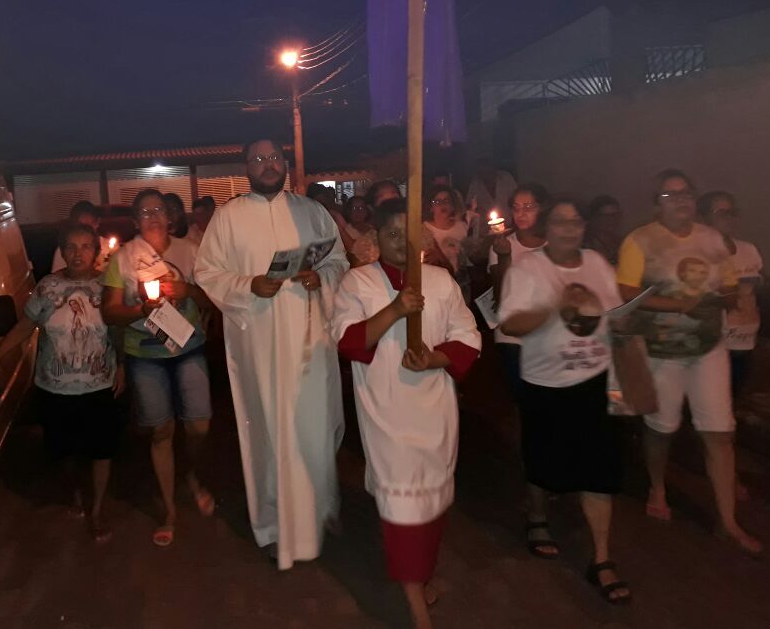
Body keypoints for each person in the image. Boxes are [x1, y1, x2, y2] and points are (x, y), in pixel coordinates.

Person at [194, 138, 348, 570]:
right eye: (259, 159)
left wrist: (321, 277)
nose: (268, 164)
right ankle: (274, 525)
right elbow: (206, 271)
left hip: (309, 341)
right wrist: (248, 285)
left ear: (285, 163)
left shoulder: (312, 212)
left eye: (274, 157)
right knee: (268, 432)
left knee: (314, 426)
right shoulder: (228, 218)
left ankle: (318, 511)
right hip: (258, 344)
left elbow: (339, 260)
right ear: (246, 166)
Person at [333, 198, 481, 629]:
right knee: (402, 510)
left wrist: (435, 358)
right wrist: (397, 308)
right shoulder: (358, 282)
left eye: (408, 233)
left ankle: (420, 576)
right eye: (392, 234)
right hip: (387, 414)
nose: (401, 242)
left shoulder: (440, 280)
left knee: (432, 503)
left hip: (435, 411)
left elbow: (468, 336)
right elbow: (348, 340)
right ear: (377, 239)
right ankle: (417, 608)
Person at [616, 169, 761, 555]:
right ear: (656, 204)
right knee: (661, 428)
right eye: (670, 195)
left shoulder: (712, 239)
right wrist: (678, 305)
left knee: (720, 432)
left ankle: (728, 521)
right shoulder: (640, 241)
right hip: (662, 351)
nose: (680, 200)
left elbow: (728, 287)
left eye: (686, 193)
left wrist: (725, 297)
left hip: (709, 348)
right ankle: (657, 486)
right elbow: (626, 294)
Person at [498, 199, 631, 605]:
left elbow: (615, 313)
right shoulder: (528, 269)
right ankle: (537, 515)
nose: (570, 229)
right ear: (547, 225)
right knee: (544, 461)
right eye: (560, 221)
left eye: (576, 221)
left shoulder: (596, 263)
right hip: (547, 382)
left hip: (596, 379)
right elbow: (510, 323)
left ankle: (602, 558)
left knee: (599, 468)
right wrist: (554, 306)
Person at [0, 223, 124, 541]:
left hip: (99, 383)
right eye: (71, 247)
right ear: (62, 251)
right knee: (63, 450)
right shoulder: (48, 287)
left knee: (102, 450)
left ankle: (97, 511)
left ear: (96, 252)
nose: (78, 253)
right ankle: (76, 493)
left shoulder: (107, 286)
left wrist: (122, 365)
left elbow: (118, 328)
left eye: (86, 246)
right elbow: (25, 327)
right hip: (55, 386)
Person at [102, 189, 214, 547]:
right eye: (145, 212)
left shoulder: (191, 251)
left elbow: (213, 298)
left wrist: (188, 291)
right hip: (145, 354)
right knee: (161, 431)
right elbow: (109, 312)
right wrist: (140, 310)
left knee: (199, 425)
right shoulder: (124, 258)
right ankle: (169, 510)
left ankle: (190, 473)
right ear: (135, 221)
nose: (153, 216)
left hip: (188, 347)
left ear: (171, 217)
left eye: (159, 210)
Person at [699, 191, 763, 398]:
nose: (729, 218)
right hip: (716, 345)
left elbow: (758, 289)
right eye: (721, 213)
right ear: (704, 218)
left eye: (732, 212)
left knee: (735, 396)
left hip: (746, 340)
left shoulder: (749, 250)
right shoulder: (699, 254)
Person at [488, 183, 549, 398]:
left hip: (547, 330)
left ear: (543, 209)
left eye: (528, 207)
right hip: (513, 334)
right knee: (522, 396)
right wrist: (504, 256)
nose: (521, 214)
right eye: (516, 207)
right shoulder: (502, 245)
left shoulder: (555, 244)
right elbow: (501, 296)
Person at [350, 180, 402, 266]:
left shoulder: (419, 230)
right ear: (371, 208)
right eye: (383, 201)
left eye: (394, 198)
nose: (390, 204)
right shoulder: (366, 244)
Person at [465, 158, 518, 236]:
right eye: (482, 170)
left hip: (510, 227)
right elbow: (469, 206)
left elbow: (516, 198)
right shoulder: (475, 184)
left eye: (487, 167)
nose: (486, 173)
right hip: (486, 231)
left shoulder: (506, 178)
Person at [50, 201, 104, 273]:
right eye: (79, 226)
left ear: (97, 223)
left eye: (88, 227)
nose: (84, 231)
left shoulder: (108, 247)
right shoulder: (65, 249)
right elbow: (57, 276)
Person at [584, 195, 624, 265]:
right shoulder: (587, 246)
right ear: (594, 218)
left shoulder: (622, 242)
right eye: (605, 216)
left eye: (614, 215)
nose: (611, 220)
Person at [342, 195, 378, 267]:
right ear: (348, 211)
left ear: (366, 211)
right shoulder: (344, 231)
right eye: (354, 208)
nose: (358, 211)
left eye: (361, 208)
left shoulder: (374, 231)